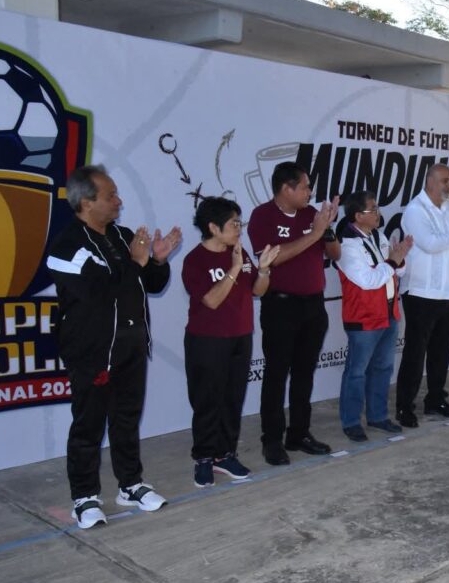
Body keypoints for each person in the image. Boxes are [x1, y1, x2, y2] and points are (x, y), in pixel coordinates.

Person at [46, 165, 181, 529]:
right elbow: (98, 294)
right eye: (111, 196)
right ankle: (85, 496)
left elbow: (149, 284)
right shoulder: (64, 247)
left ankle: (130, 484)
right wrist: (136, 263)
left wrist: (158, 259)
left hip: (132, 347)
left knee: (126, 420)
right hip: (92, 353)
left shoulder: (122, 236)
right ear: (86, 202)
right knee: (88, 425)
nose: (120, 202)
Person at [247, 161, 340, 466]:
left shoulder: (312, 215)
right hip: (280, 306)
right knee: (276, 374)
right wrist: (313, 235)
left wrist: (327, 228)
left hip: (314, 305)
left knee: (304, 373)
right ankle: (272, 440)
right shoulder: (262, 216)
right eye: (305, 187)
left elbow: (335, 254)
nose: (310, 193)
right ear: (286, 188)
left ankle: (299, 433)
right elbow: (272, 259)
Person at [182, 197, 278, 486]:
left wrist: (262, 270)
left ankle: (225, 454)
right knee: (207, 400)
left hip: (240, 336)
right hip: (207, 340)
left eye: (240, 222)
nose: (239, 228)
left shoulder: (240, 252)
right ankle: (203, 458)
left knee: (232, 399)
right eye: (234, 223)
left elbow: (258, 291)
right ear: (213, 227)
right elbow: (211, 300)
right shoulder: (195, 260)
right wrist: (234, 269)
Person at [396, 164, 449, 426]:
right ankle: (404, 406)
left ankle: (435, 400)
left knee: (441, 352)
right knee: (415, 353)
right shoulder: (414, 210)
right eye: (445, 180)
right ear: (429, 181)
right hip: (421, 292)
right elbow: (430, 244)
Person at [335, 192, 412, 442]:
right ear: (358, 216)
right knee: (357, 371)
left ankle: (378, 416)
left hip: (388, 312)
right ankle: (351, 420)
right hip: (364, 317)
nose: (379, 213)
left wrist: (397, 260)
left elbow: (396, 271)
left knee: (383, 367)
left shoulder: (378, 236)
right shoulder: (346, 245)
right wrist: (392, 262)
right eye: (373, 209)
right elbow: (368, 281)